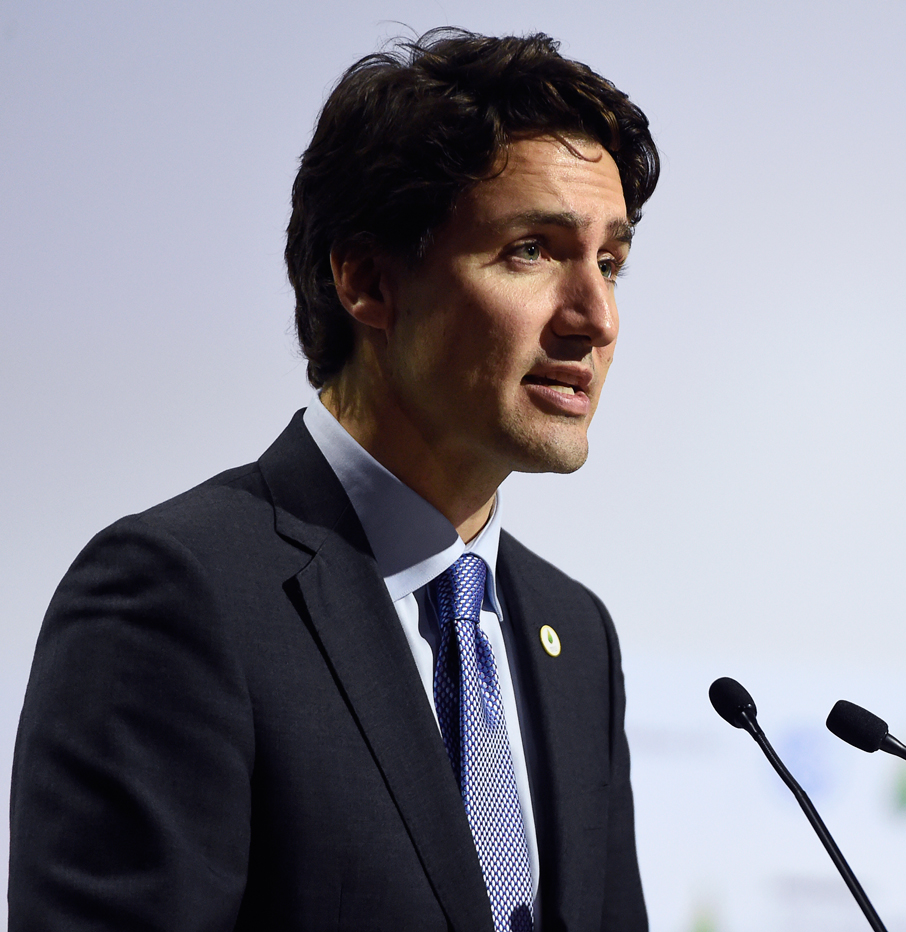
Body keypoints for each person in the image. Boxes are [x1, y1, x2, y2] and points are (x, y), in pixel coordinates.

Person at [10, 28, 658, 932]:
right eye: (532, 251)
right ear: (367, 282)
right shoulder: (174, 598)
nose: (595, 316)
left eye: (612, 262)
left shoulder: (575, 633)